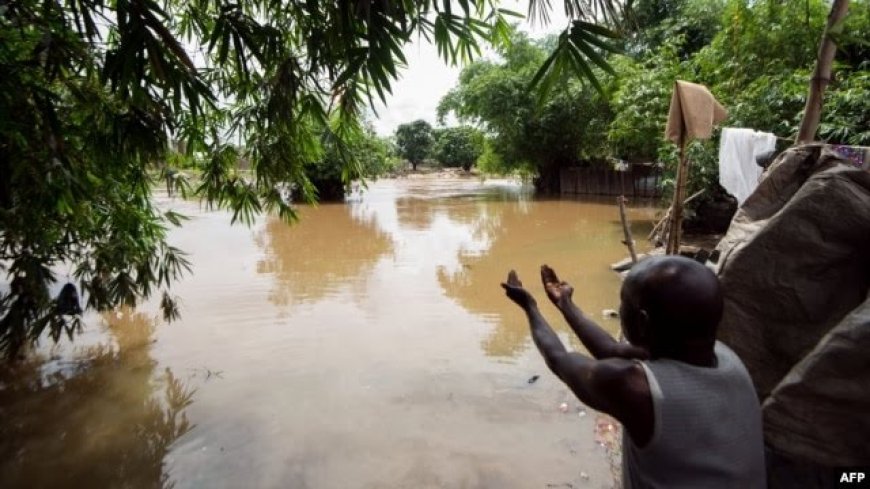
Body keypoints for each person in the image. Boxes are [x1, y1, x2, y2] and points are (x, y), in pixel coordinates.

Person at [501, 256, 765, 488]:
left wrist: (529, 307)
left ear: (642, 322)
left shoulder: (638, 390)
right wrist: (565, 304)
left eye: (623, 302)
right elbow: (611, 350)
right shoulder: (726, 358)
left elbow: (559, 359)